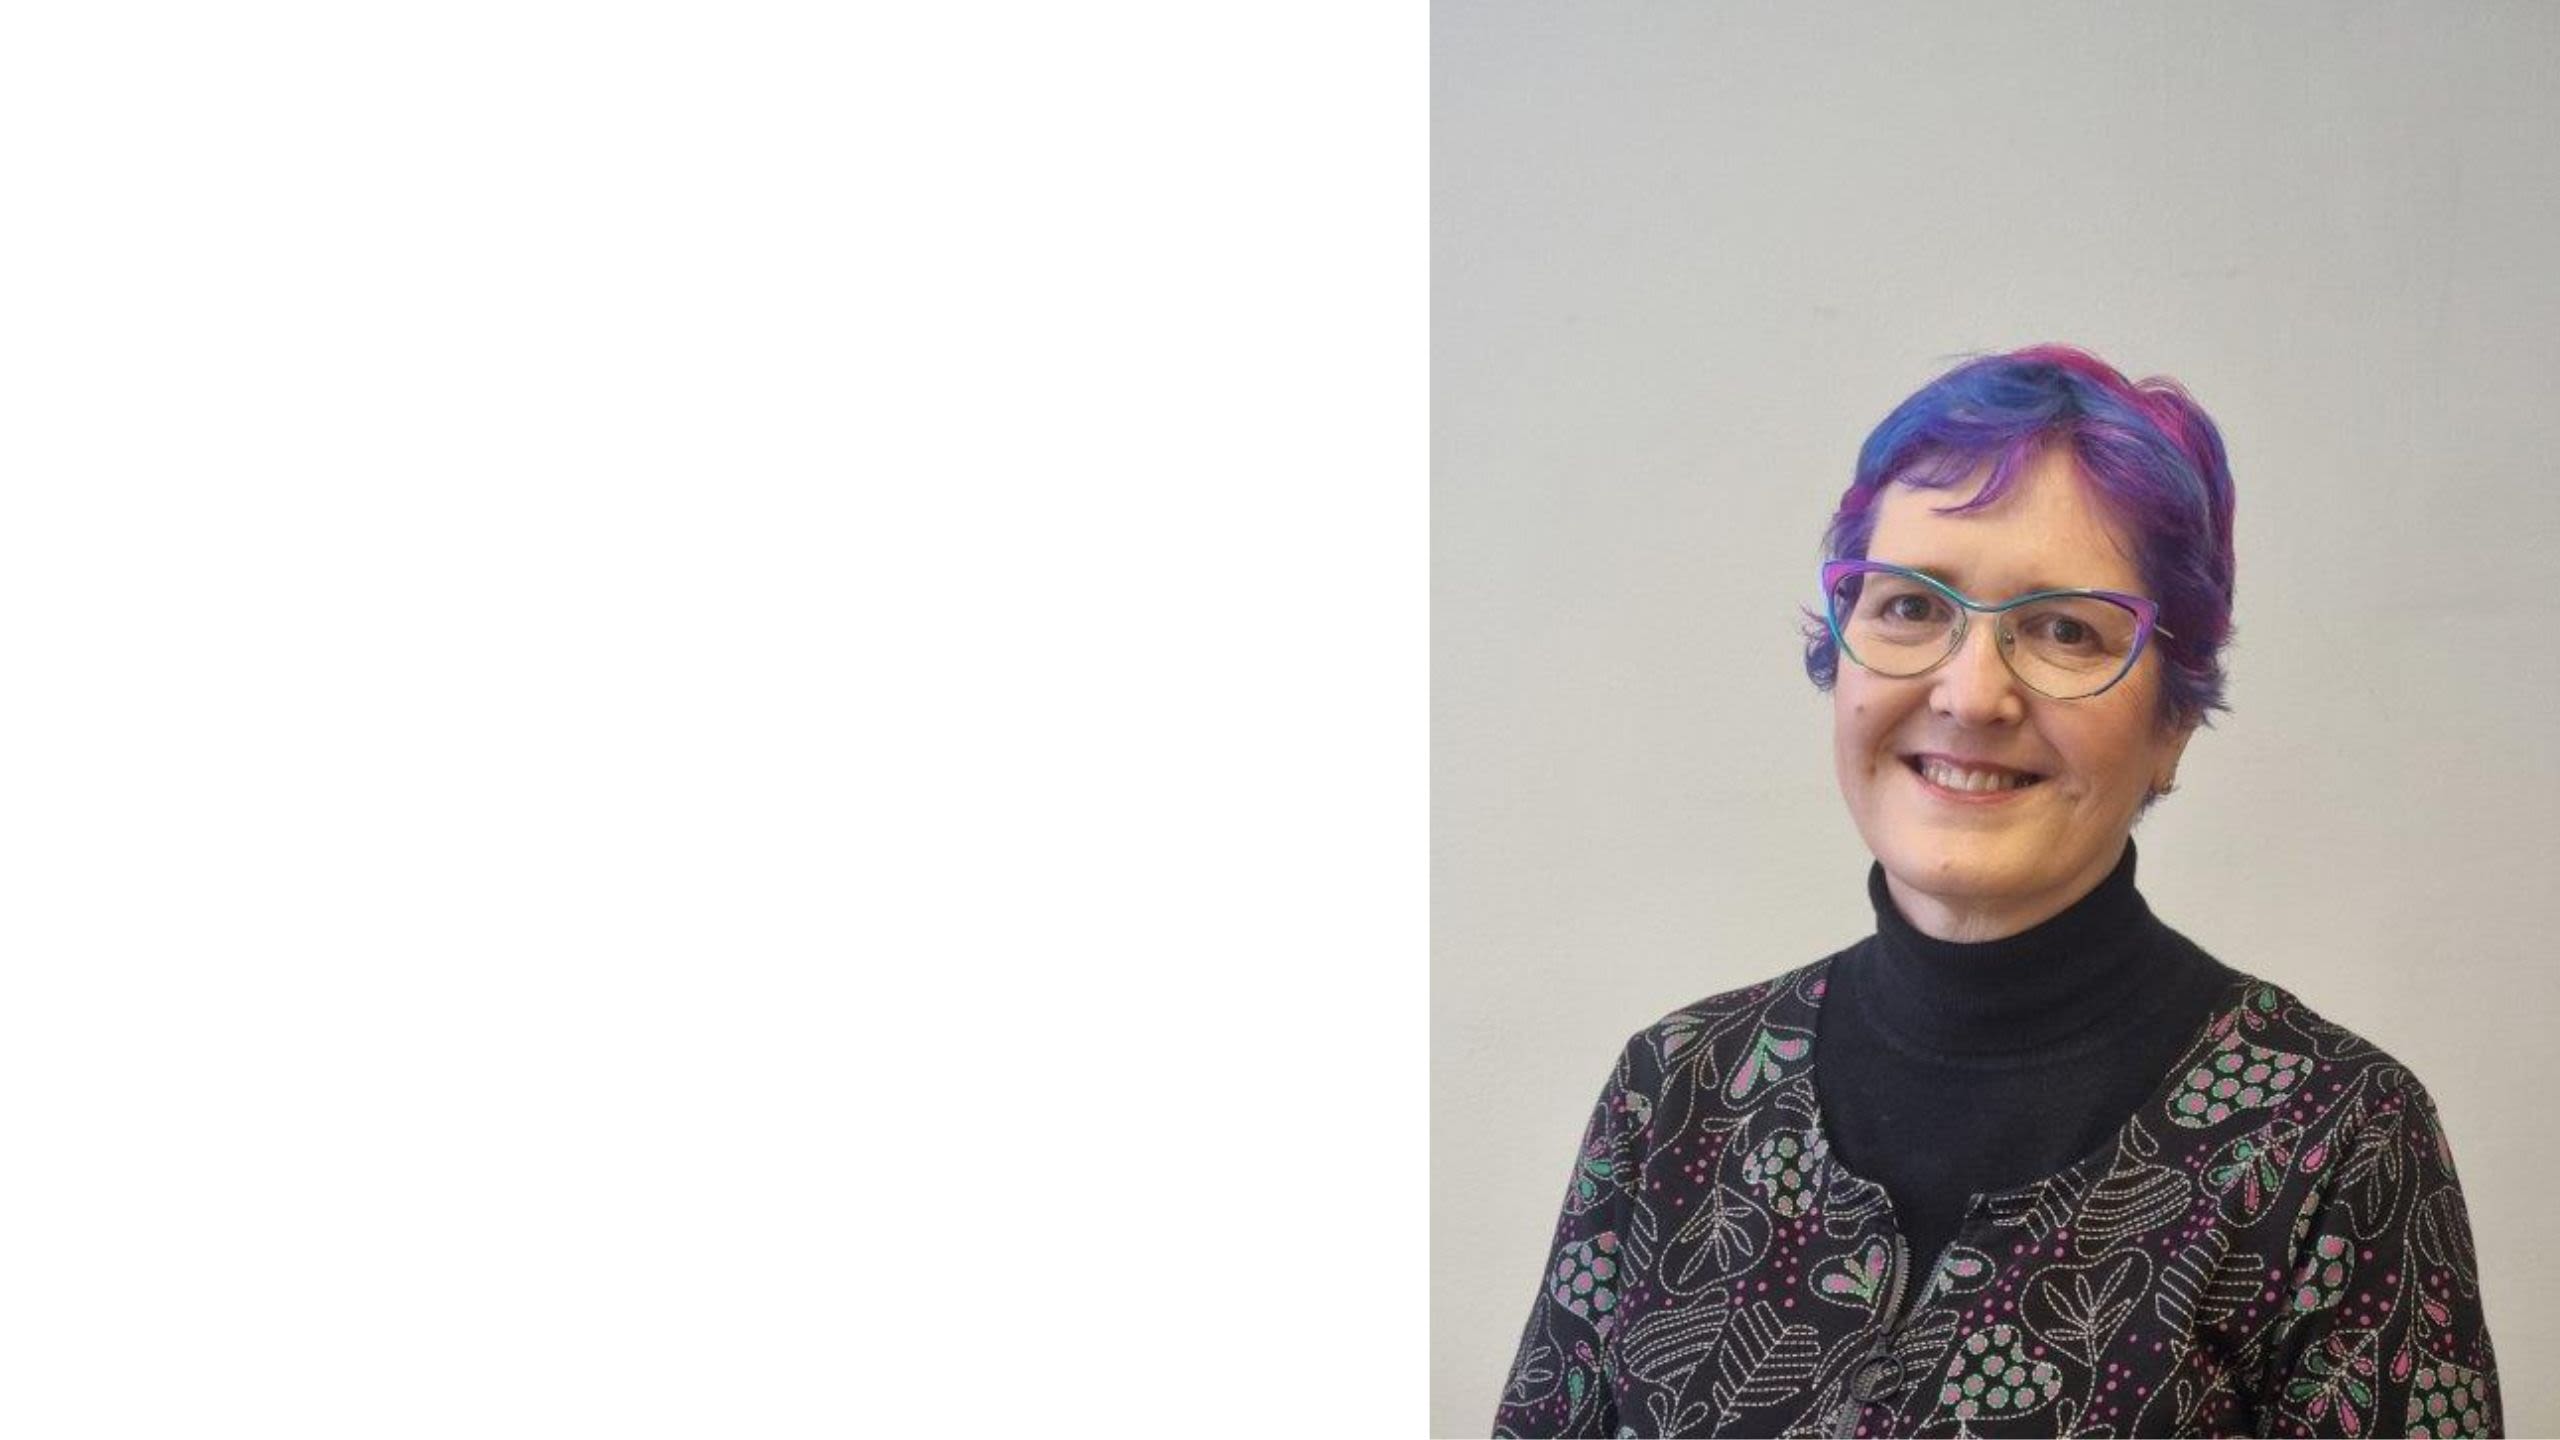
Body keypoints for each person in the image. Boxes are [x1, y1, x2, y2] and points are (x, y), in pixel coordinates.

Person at [1491, 346, 2501, 1438]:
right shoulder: (1674, 1094)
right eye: (1910, 608)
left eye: (2065, 628)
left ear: (2173, 720)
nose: (1971, 696)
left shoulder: (2329, 1142)